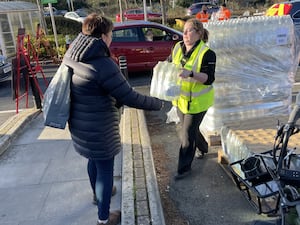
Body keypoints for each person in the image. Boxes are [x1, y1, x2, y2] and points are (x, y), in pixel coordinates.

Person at [62, 13, 163, 225]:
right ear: (102, 37)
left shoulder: (73, 53)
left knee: (93, 160)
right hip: (99, 127)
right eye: (110, 34)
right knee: (105, 170)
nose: (111, 39)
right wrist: (158, 103)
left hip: (80, 123)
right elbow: (128, 96)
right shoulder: (102, 63)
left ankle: (96, 196)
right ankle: (104, 218)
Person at [169, 18, 216, 180]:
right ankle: (203, 147)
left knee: (187, 136)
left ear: (199, 33)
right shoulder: (177, 48)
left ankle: (183, 169)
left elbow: (208, 78)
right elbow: (170, 66)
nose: (185, 34)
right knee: (190, 129)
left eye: (189, 30)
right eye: (184, 31)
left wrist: (190, 74)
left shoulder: (207, 53)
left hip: (197, 103)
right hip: (181, 100)